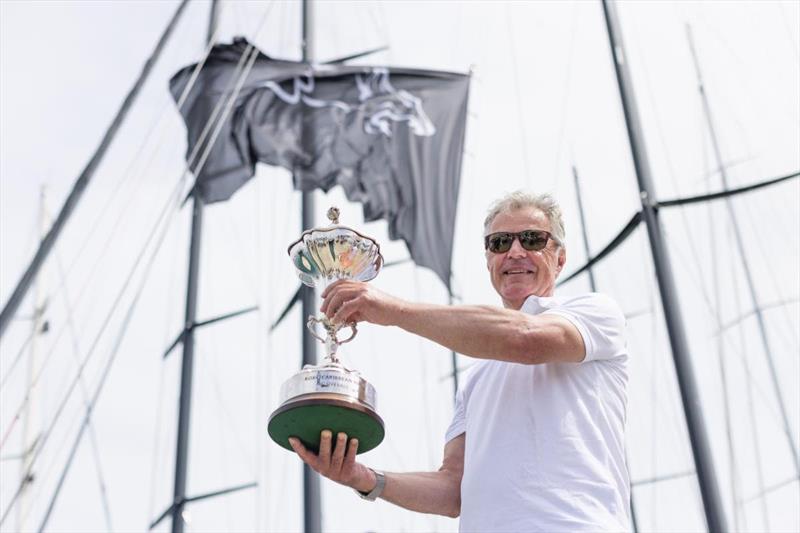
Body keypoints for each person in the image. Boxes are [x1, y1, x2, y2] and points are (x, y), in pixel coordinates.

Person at [289, 191, 631, 532]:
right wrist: (363, 478)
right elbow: (453, 489)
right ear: (488, 261)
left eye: (531, 239)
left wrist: (392, 310)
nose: (514, 251)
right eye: (499, 243)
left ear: (559, 258)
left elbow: (527, 340)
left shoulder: (595, 314)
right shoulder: (477, 377)